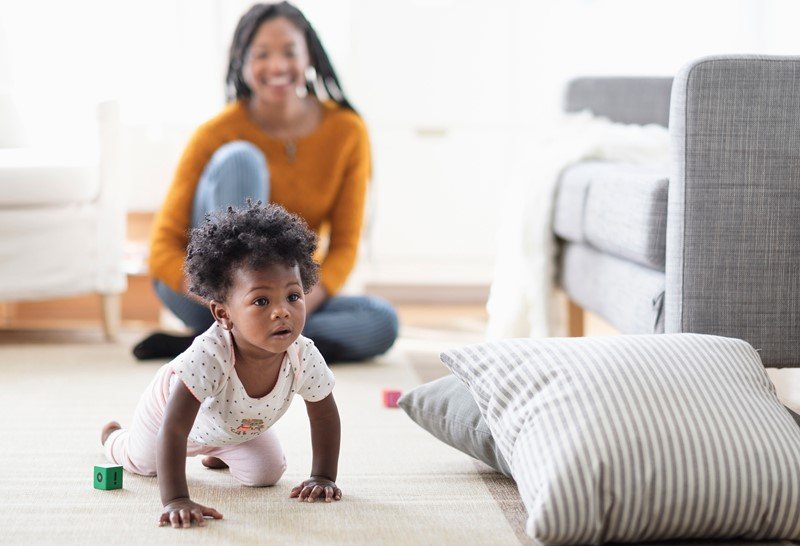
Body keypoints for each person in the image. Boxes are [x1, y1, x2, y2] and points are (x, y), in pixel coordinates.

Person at [133, 1, 398, 362]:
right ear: (242, 62)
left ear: (309, 57)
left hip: (284, 298)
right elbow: (162, 249)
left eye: (289, 52)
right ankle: (244, 335)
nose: (277, 66)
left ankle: (222, 346)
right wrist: (232, 303)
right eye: (261, 54)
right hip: (207, 294)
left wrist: (291, 304)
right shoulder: (217, 133)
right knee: (241, 159)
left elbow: (345, 247)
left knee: (381, 321)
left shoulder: (347, 131)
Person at [103, 202, 342, 528]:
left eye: (293, 296)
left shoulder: (303, 355)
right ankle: (113, 438)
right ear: (223, 314)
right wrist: (176, 499)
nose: (282, 312)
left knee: (266, 473)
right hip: (168, 418)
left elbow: (325, 413)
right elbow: (174, 430)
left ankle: (218, 453)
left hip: (234, 427)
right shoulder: (210, 357)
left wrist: (323, 476)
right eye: (261, 301)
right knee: (144, 463)